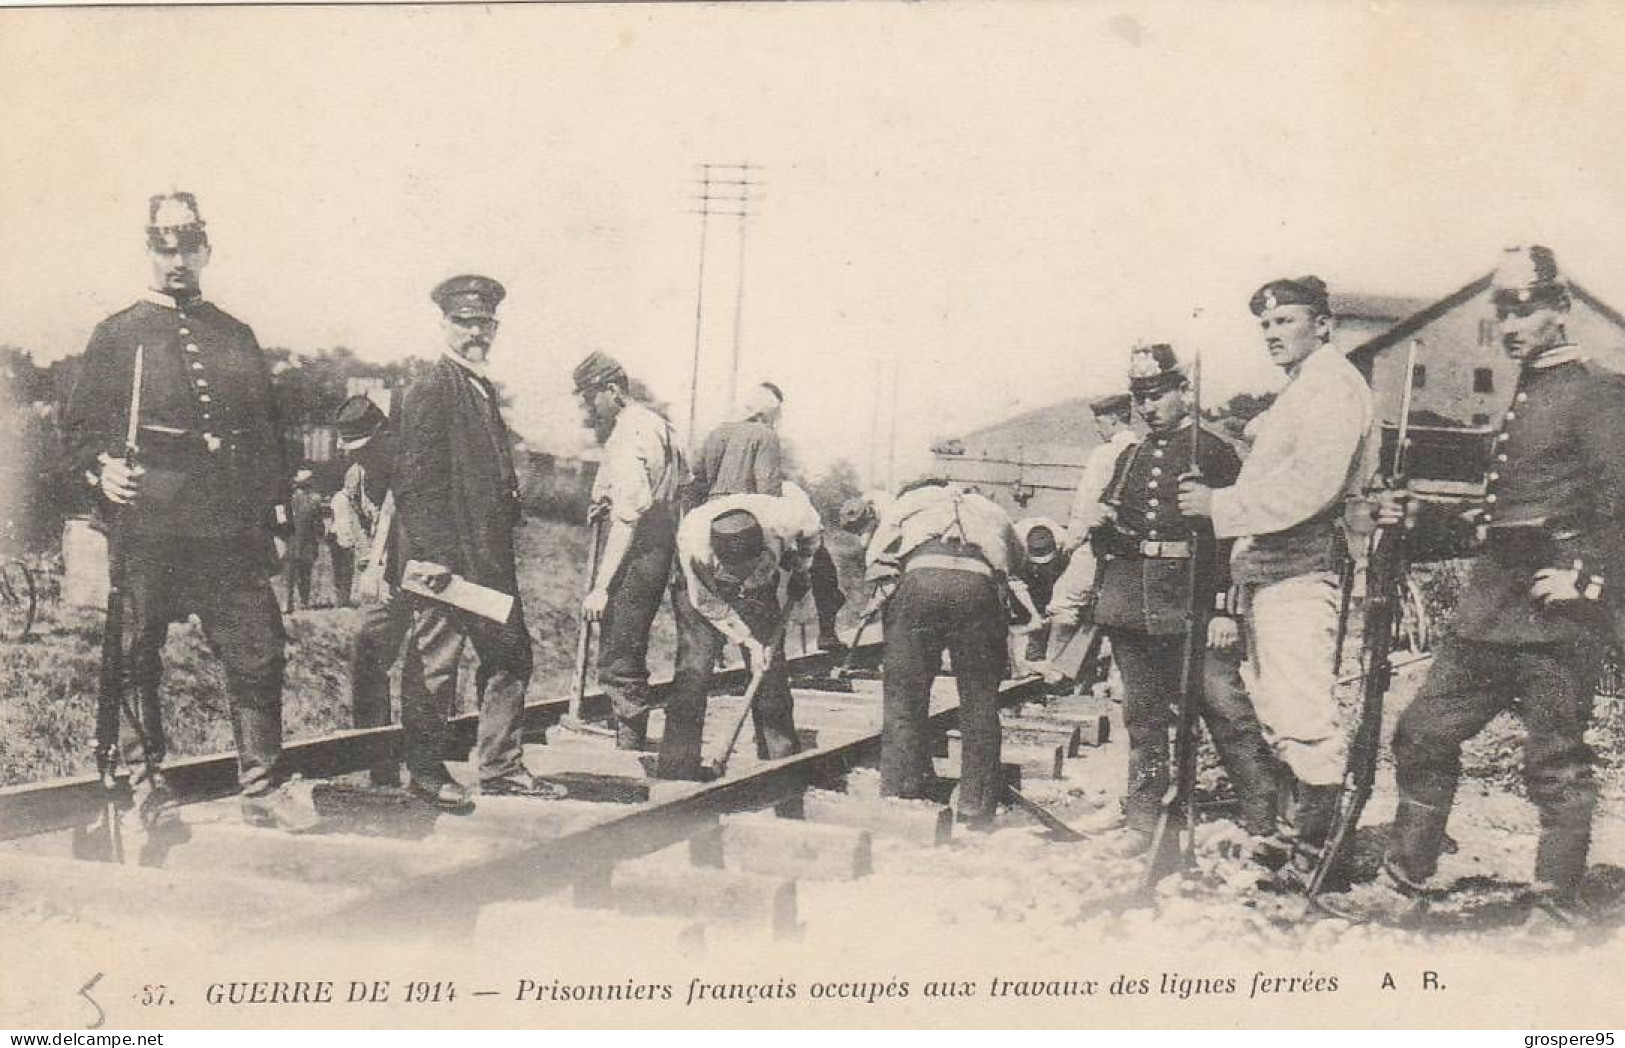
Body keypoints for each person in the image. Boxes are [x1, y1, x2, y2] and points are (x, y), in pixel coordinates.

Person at [1341, 246, 1625, 919]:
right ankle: (1403, 880)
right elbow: (1498, 519)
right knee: (1422, 732)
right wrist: (1414, 518)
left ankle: (1554, 905)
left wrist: (1587, 579)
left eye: (1524, 308)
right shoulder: (1526, 393)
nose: (1510, 324)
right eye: (1502, 310)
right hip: (1490, 608)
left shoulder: (1597, 392)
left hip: (1557, 617)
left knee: (1554, 763)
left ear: (1558, 309)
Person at [60, 192, 315, 829]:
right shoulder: (117, 334)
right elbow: (79, 432)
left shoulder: (235, 334)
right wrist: (103, 469)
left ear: (206, 250)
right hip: (148, 525)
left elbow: (266, 434)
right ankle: (147, 787)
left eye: (187, 248)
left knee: (258, 651)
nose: (176, 261)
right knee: (134, 654)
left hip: (227, 529)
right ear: (149, 252)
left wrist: (275, 518)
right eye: (163, 249)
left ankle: (261, 787)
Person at [1177, 275, 1376, 887]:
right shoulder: (1301, 390)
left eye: (1285, 321)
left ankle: (1319, 857)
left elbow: (1310, 488)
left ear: (1323, 325)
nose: (1271, 332)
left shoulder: (1333, 388)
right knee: (1276, 708)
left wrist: (1220, 505)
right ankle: (1298, 840)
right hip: (1271, 570)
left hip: (1302, 566)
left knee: (1302, 711)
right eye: (1265, 324)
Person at [1089, 344, 1277, 853]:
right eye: (1141, 397)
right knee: (1144, 718)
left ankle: (1267, 821)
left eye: (1158, 395)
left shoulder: (1212, 452)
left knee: (1225, 708)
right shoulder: (1130, 457)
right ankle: (1143, 820)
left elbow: (1235, 534)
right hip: (1132, 601)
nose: (1148, 406)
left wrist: (1224, 607)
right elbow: (1113, 526)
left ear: (1183, 393)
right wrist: (1104, 529)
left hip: (1192, 601)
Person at [395, 274, 562, 805]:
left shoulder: (479, 387)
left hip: (486, 558)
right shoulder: (431, 386)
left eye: (484, 323)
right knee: (435, 668)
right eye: (464, 323)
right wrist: (432, 557)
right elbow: (416, 481)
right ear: (444, 324)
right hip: (448, 561)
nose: (475, 333)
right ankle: (425, 773)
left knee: (511, 657)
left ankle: (499, 766)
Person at [863, 479, 1036, 827]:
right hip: (977, 588)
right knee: (980, 700)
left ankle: (902, 792)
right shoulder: (993, 510)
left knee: (904, 695)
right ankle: (975, 805)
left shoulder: (910, 502)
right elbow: (1019, 561)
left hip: (920, 582)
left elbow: (874, 555)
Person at [659, 488, 823, 779]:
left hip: (763, 583)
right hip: (702, 590)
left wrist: (802, 567)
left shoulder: (790, 520)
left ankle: (780, 758)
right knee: (694, 669)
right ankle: (677, 766)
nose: (740, 580)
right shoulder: (694, 543)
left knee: (771, 668)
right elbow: (708, 604)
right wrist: (748, 641)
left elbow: (813, 534)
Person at [574, 351, 688, 750]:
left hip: (642, 544)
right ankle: (627, 723)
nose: (588, 408)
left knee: (619, 642)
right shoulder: (657, 423)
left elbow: (628, 517)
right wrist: (607, 497)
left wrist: (601, 587)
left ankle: (630, 736)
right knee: (630, 636)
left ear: (612, 390)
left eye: (591, 397)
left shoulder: (625, 433)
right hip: (668, 534)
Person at [693, 381, 848, 651]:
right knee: (808, 566)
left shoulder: (716, 433)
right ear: (768, 412)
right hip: (749, 526)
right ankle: (824, 632)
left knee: (719, 595)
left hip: (711, 527)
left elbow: (697, 481)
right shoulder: (764, 435)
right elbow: (769, 494)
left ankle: (718, 652)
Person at [335, 393, 409, 787]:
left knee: (429, 668)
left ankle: (428, 758)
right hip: (384, 585)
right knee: (366, 648)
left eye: (365, 447)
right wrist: (370, 564)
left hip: (423, 578)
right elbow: (359, 523)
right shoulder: (356, 476)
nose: (358, 456)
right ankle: (378, 763)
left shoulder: (410, 467)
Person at [1040, 393, 1140, 685]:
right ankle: (1117, 682)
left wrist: (1071, 544)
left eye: (1099, 421)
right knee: (1121, 611)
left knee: (1066, 601)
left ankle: (1056, 674)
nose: (1098, 428)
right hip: (1131, 550)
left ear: (1112, 418)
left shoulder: (1105, 453)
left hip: (1098, 544)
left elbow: (1087, 504)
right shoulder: (1143, 449)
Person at [1013, 515, 1068, 669]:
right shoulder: (1016, 542)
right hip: (1022, 571)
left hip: (1054, 576)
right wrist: (1034, 615)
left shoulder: (1063, 542)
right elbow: (1017, 584)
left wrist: (1050, 610)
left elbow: (1062, 584)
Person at [284, 468, 323, 611]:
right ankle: (304, 602)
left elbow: (282, 520)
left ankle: (287, 603)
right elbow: (319, 524)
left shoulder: (289, 499)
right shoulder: (315, 500)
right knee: (305, 573)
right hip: (307, 540)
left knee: (290, 574)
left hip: (292, 539)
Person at [326, 482, 359, 607]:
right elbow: (345, 522)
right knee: (346, 570)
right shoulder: (344, 500)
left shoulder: (337, 498)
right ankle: (344, 600)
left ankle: (341, 599)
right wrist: (349, 540)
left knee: (339, 570)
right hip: (342, 537)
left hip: (336, 536)